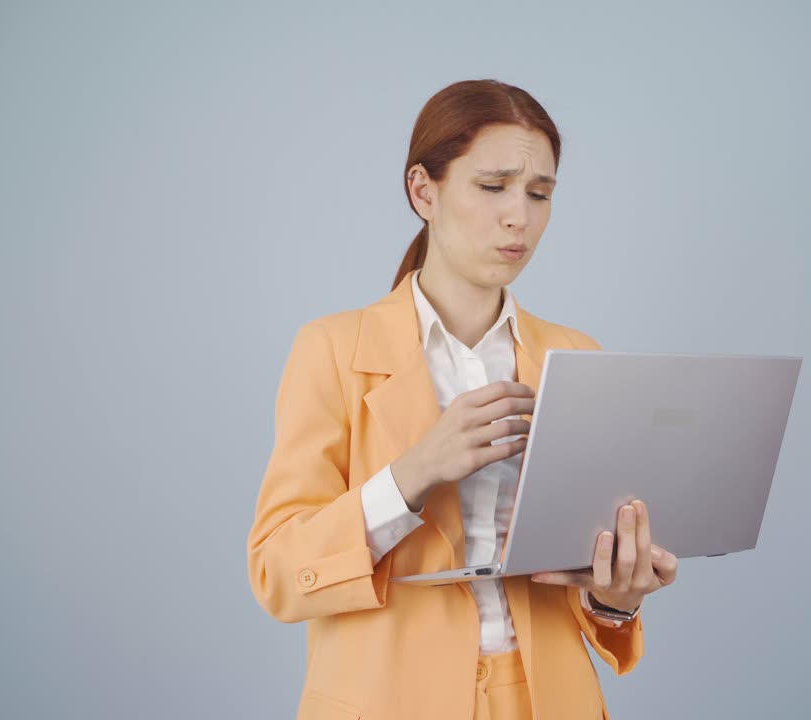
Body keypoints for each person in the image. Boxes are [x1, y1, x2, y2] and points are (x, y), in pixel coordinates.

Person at [246, 78, 679, 720]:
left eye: (539, 194)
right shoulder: (332, 349)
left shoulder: (577, 355)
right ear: (423, 190)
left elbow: (584, 593)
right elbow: (278, 575)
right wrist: (414, 473)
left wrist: (615, 596)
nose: (520, 217)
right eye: (492, 186)